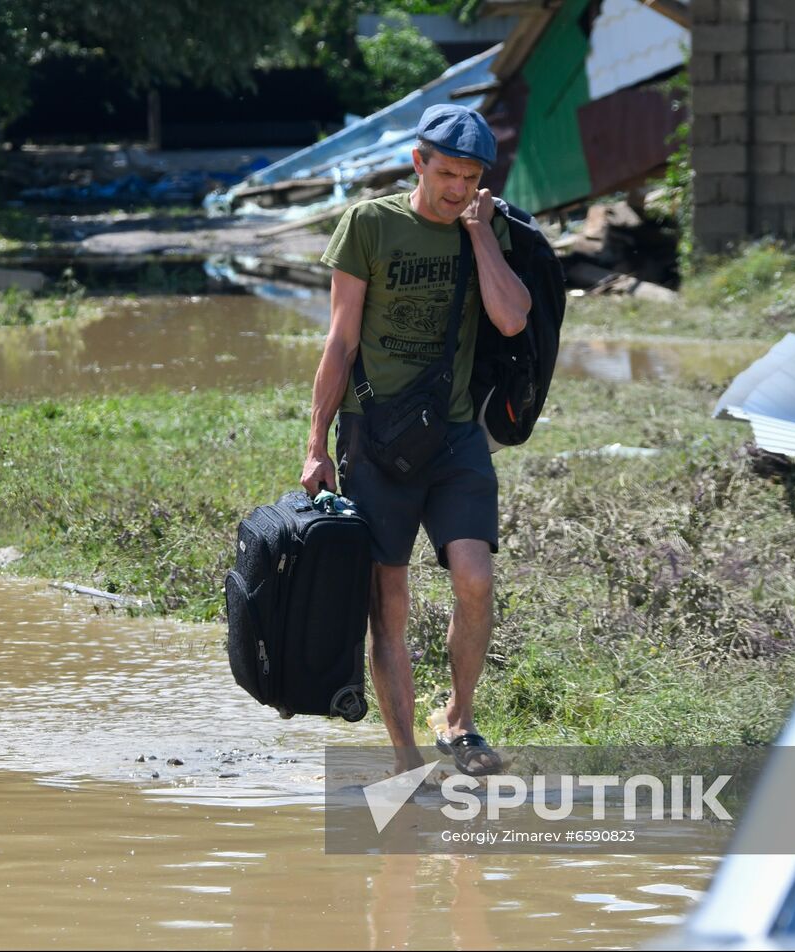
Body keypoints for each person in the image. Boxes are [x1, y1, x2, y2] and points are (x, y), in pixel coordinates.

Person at [300, 104, 531, 776]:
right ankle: (406, 761)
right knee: (388, 602)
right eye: (447, 173)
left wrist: (480, 234)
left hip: (456, 436)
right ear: (417, 163)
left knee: (476, 578)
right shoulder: (368, 225)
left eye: (470, 177)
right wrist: (317, 442)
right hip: (374, 437)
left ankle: (459, 722)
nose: (457, 187)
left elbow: (512, 320)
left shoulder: (482, 228)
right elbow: (340, 340)